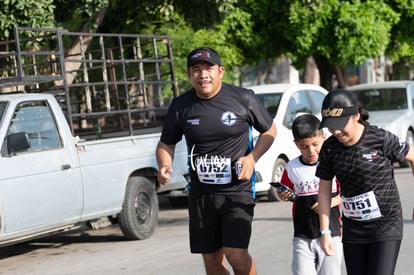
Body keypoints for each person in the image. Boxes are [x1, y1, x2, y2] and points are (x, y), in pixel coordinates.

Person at [156, 46, 276, 275]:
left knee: (235, 252)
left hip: (237, 189)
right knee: (211, 261)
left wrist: (252, 158)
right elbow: (166, 144)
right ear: (190, 74)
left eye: (208, 68)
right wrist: (164, 164)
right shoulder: (181, 106)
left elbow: (270, 131)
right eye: (196, 69)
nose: (203, 75)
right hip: (201, 193)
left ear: (220, 71)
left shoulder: (243, 98)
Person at [316, 89, 414, 275]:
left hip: (386, 223)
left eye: (340, 124)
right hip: (354, 227)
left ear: (356, 116)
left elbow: (413, 156)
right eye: (330, 126)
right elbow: (324, 191)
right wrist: (324, 232)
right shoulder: (330, 148)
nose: (336, 131)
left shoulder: (380, 139)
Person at [277, 114, 342, 275]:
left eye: (315, 144)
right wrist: (282, 194)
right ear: (296, 144)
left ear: (324, 137)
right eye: (304, 146)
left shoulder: (335, 163)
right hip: (302, 235)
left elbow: (347, 193)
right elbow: (285, 192)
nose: (311, 151)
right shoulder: (292, 167)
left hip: (332, 232)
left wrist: (329, 203)